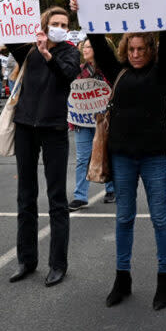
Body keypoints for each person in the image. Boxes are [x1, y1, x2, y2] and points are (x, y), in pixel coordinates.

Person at [71, 0, 166, 311]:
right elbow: (96, 36)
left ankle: (164, 280)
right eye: (131, 49)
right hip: (121, 155)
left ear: (150, 49)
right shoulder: (116, 70)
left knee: (160, 218)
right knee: (124, 218)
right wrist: (84, 11)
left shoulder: (161, 73)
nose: (135, 54)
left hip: (153, 157)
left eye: (141, 49)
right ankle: (122, 279)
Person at [0, 0, 81, 289]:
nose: (59, 28)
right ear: (43, 25)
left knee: (56, 199)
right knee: (25, 197)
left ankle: (58, 263)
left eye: (64, 25)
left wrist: (48, 55)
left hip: (53, 129)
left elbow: (67, 75)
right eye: (54, 24)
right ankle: (26, 259)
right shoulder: (27, 50)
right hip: (25, 127)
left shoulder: (69, 53)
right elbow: (4, 22)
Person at [68, 39, 116, 211]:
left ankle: (111, 189)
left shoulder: (109, 70)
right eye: (85, 46)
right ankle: (80, 196)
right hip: (82, 121)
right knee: (82, 159)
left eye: (89, 46)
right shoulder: (79, 71)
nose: (84, 49)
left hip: (104, 121)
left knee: (106, 153)